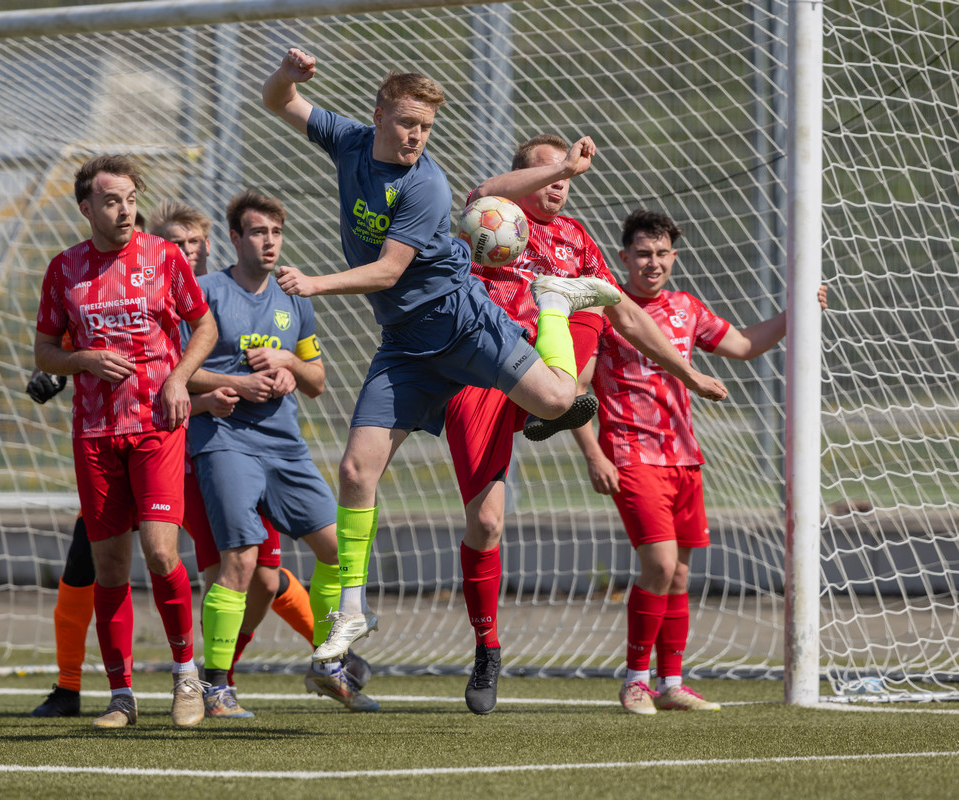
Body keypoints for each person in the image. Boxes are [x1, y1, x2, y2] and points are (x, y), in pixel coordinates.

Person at [261, 48, 625, 663]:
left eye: (426, 127)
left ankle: (555, 301)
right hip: (405, 345)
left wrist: (315, 283)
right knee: (355, 471)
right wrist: (286, 77)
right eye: (407, 122)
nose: (416, 136)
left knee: (560, 399)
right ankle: (352, 610)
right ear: (378, 115)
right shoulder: (349, 142)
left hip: (462, 324)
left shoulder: (425, 184)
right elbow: (280, 102)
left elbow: (388, 271)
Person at [29, 199, 353, 719]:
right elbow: (108, 352)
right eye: (174, 243)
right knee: (95, 558)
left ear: (209, 245)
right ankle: (74, 685)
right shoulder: (149, 290)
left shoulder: (220, 297)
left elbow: (181, 372)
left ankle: (290, 662)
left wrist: (281, 368)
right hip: (146, 444)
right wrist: (55, 370)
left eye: (194, 243)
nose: (185, 251)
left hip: (209, 456)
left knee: (260, 574)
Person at [446, 136, 730, 713]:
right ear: (519, 179)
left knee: (594, 300)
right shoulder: (491, 218)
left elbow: (628, 314)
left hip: (541, 371)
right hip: (481, 373)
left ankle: (556, 398)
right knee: (487, 523)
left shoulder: (576, 238)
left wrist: (689, 374)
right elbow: (481, 194)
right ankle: (487, 647)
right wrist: (561, 164)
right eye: (546, 171)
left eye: (566, 174)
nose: (559, 181)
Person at [573, 208, 828, 714]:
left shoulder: (686, 308)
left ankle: (671, 682)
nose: (653, 262)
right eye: (642, 254)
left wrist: (797, 312)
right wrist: (593, 453)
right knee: (660, 564)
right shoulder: (605, 311)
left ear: (673, 257)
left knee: (680, 577)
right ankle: (635, 681)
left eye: (662, 253)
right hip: (630, 455)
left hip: (685, 460)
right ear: (623, 257)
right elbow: (576, 389)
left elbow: (744, 346)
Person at [33, 154, 218, 729]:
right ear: (86, 207)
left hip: (156, 427)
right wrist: (82, 359)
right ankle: (121, 698)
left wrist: (179, 379)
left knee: (161, 553)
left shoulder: (164, 257)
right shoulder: (64, 270)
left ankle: (187, 677)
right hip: (94, 433)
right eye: (111, 201)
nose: (124, 211)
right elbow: (44, 352)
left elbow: (205, 325)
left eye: (131, 200)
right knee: (110, 568)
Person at [186, 189, 379, 713]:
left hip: (285, 446)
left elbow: (317, 380)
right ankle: (216, 687)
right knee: (242, 561)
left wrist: (289, 366)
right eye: (257, 232)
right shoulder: (205, 293)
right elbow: (178, 372)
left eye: (275, 232)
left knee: (339, 550)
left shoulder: (294, 297)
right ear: (235, 238)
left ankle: (327, 661)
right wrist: (238, 383)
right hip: (224, 442)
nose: (269, 242)